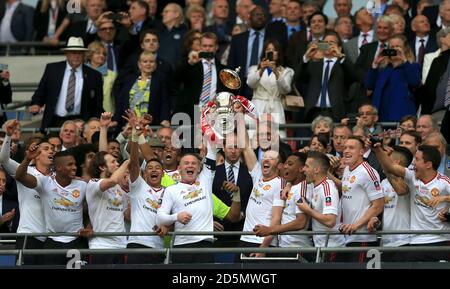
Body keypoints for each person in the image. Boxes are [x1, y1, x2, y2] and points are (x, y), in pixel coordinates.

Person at [15, 148, 93, 265]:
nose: (74, 167)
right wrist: (27, 159)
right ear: (59, 167)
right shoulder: (45, 182)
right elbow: (20, 177)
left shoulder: (82, 185)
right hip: (52, 241)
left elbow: (94, 208)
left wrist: (89, 226)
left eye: (75, 164)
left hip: (76, 240)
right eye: (70, 164)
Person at [374, 144, 450, 262]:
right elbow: (390, 167)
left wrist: (444, 198)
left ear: (428, 164)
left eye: (417, 159)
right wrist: (377, 149)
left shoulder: (443, 182)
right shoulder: (412, 177)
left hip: (439, 241)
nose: (413, 163)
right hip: (415, 242)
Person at [156, 139, 218, 264]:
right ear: (179, 168)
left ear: (199, 168)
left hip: (204, 244)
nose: (190, 166)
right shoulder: (171, 190)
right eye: (186, 163)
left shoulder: (205, 181)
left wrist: (209, 133)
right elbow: (160, 219)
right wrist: (176, 217)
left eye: (194, 163)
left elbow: (212, 152)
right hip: (182, 245)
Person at [0, 120, 53, 265]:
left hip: (50, 237)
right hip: (28, 235)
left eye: (52, 148)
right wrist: (8, 136)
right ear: (36, 155)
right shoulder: (26, 170)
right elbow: (3, 159)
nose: (51, 151)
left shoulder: (56, 178)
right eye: (46, 148)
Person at [29, 37, 103, 132]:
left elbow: (97, 103)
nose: (76, 56)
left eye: (79, 53)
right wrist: (36, 103)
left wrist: (91, 123)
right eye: (73, 52)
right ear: (66, 54)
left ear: (84, 54)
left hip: (80, 123)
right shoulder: (52, 69)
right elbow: (41, 92)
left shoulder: (94, 75)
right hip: (54, 121)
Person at [253, 152, 314, 260]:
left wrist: (270, 230)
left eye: (290, 164)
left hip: (298, 249)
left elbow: (301, 222)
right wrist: (288, 184)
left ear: (301, 169)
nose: (285, 166)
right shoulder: (291, 186)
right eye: (285, 163)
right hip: (285, 246)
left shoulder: (302, 189)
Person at [339, 136, 384, 262]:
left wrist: (355, 225)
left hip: (362, 238)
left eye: (351, 148)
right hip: (347, 236)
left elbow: (378, 205)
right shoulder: (348, 168)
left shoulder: (368, 172)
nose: (346, 151)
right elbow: (345, 188)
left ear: (361, 152)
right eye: (345, 147)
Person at [367, 146, 413, 261]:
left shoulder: (410, 179)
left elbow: (401, 191)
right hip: (385, 243)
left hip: (405, 242)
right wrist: (376, 220)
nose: (381, 162)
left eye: (385, 159)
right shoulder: (383, 183)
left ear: (395, 162)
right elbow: (382, 210)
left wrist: (387, 169)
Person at [299, 151, 345, 261]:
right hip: (323, 247)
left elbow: (330, 221)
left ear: (317, 169)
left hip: (332, 248)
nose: (303, 169)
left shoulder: (327, 188)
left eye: (306, 166)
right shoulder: (317, 186)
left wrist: (307, 210)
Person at [366, 34, 421, 122]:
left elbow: (415, 82)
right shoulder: (382, 69)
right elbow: (369, 85)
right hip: (381, 114)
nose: (395, 49)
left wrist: (404, 60)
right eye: (392, 47)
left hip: (402, 115)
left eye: (398, 46)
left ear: (405, 49)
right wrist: (375, 64)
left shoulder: (412, 66)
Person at [247, 39, 293, 138]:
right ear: (265, 52)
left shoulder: (286, 71)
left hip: (275, 107)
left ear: (279, 53)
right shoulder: (254, 69)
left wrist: (276, 73)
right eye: (268, 49)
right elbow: (250, 83)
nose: (271, 52)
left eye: (274, 49)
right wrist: (260, 70)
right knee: (253, 139)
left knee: (278, 140)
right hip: (257, 106)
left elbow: (285, 90)